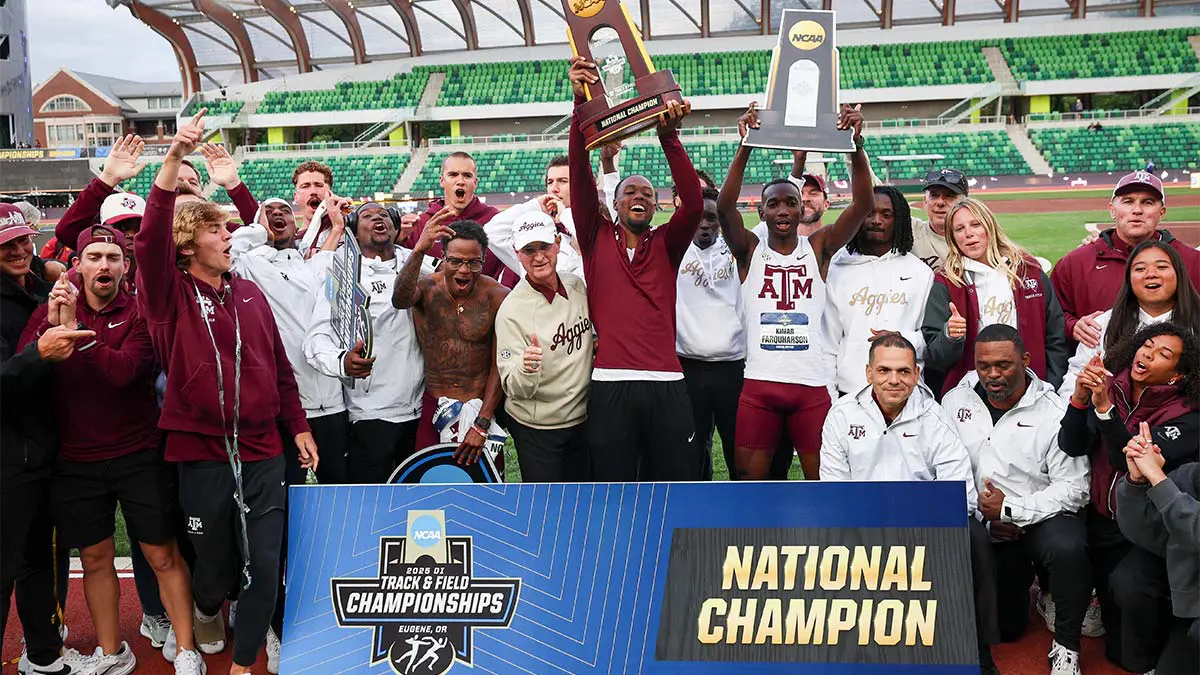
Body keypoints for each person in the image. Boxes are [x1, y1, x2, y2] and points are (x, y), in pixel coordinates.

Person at [135, 110, 317, 675]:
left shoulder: (250, 294)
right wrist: (171, 160)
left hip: (263, 446)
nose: (228, 236)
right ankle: (209, 607)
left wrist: (300, 425)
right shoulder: (170, 297)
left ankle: (244, 662)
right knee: (212, 567)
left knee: (265, 563)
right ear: (189, 244)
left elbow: (280, 370)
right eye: (216, 230)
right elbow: (147, 243)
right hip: (200, 451)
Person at [17, 226, 205, 674]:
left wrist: (75, 332)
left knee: (162, 553)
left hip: (138, 453)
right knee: (95, 558)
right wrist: (52, 324)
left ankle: (186, 649)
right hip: (75, 460)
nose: (104, 265)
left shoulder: (141, 311)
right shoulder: (52, 309)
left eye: (113, 257)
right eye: (95, 257)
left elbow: (125, 372)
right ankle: (111, 650)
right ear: (77, 265)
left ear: (126, 266)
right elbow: (26, 364)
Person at [819, 333, 1001, 674]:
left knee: (975, 537)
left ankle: (977, 649)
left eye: (903, 371)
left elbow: (960, 490)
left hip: (923, 522)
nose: (894, 380)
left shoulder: (935, 418)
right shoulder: (841, 416)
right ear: (868, 372)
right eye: (884, 370)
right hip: (860, 520)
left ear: (917, 374)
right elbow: (834, 489)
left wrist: (918, 525)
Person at [716, 101, 874, 481]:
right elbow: (724, 208)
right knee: (750, 484)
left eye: (791, 203)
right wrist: (747, 145)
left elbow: (864, 203)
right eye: (774, 204)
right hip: (759, 383)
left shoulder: (818, 247)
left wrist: (856, 145)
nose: (783, 210)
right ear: (762, 211)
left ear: (803, 208)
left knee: (825, 482)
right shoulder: (750, 251)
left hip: (810, 385)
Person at [566, 56, 702, 481]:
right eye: (629, 192)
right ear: (616, 202)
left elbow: (695, 204)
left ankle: (674, 549)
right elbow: (579, 177)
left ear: (657, 205)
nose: (638, 196)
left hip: (666, 382)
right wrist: (579, 111)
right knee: (614, 482)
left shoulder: (666, 245)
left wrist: (669, 138)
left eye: (647, 192)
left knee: (675, 481)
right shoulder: (595, 237)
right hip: (610, 383)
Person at [943, 324, 1091, 675]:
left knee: (1069, 546)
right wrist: (987, 520)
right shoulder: (954, 400)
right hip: (983, 525)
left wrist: (1013, 510)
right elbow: (945, 469)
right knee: (1008, 631)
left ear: (1025, 361)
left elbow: (1075, 487)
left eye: (1004, 365)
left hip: (1036, 522)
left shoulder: (1052, 411)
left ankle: (1067, 645)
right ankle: (1029, 592)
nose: (993, 375)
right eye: (984, 366)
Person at [1059, 322, 1199, 672]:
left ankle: (1165, 653)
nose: (1148, 354)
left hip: (1149, 527)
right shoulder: (1113, 385)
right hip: (1101, 518)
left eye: (1163, 354)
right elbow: (1071, 445)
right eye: (1147, 345)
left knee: (1131, 595)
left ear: (1175, 377)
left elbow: (1130, 463)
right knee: (1115, 646)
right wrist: (1079, 398)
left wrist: (1104, 410)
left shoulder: (1186, 414)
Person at [1, 205, 98, 675]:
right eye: (6, 246)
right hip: (7, 457)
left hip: (42, 450)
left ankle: (42, 656)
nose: (20, 251)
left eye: (22, 240)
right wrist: (38, 353)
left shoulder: (39, 288)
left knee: (39, 559)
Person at [306, 203, 431, 482]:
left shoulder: (423, 264)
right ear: (353, 231)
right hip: (370, 414)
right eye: (367, 215)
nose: (378, 218)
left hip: (422, 411)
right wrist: (342, 362)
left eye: (384, 215)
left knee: (416, 506)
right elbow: (316, 338)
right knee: (373, 507)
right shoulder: (341, 273)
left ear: (397, 227)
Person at [393, 213, 509, 470]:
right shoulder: (426, 289)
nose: (464, 270)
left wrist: (482, 422)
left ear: (483, 260)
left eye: (473, 263)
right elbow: (399, 300)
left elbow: (498, 365)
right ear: (443, 259)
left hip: (479, 405)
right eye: (455, 261)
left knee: (486, 487)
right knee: (430, 483)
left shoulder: (498, 297)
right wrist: (420, 249)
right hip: (435, 404)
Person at [922, 197, 1068, 396]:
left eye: (975, 224)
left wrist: (1051, 383)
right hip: (971, 393)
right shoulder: (947, 281)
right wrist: (950, 336)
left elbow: (1055, 336)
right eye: (959, 229)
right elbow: (934, 357)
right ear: (952, 237)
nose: (969, 234)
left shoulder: (1028, 271)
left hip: (1030, 388)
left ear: (990, 227)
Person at [1051, 170, 1200, 351]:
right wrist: (1072, 325)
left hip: (1176, 374)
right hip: (1099, 373)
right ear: (1112, 210)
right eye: (1128, 201)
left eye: (1148, 202)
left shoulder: (1192, 262)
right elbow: (1050, 315)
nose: (1137, 210)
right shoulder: (1075, 263)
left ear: (1162, 212)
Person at [494, 212, 592, 481]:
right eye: (529, 250)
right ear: (517, 253)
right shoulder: (511, 312)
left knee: (586, 500)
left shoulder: (576, 286)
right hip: (538, 428)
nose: (538, 257)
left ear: (558, 243)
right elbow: (513, 387)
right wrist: (528, 368)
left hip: (584, 420)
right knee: (546, 506)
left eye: (544, 247)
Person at [822, 185, 934, 397]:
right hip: (851, 392)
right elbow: (827, 344)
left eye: (886, 214)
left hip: (907, 391)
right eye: (869, 213)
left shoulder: (920, 272)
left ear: (899, 219)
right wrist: (830, 397)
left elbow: (929, 340)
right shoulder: (836, 269)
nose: (876, 220)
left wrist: (901, 338)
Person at [1060, 240, 1200, 397]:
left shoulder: (1195, 321)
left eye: (1161, 267)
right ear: (1129, 279)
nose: (1151, 274)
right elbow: (1072, 384)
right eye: (1140, 269)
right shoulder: (1103, 325)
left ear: (1179, 274)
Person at [675, 186, 745, 480]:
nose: (704, 224)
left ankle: (742, 510)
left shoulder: (739, 250)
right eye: (698, 218)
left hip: (734, 368)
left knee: (737, 448)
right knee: (693, 451)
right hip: (689, 366)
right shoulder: (673, 249)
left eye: (713, 218)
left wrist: (798, 165)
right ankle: (699, 512)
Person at [1117, 439, 1200, 675]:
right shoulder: (1190, 475)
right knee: (1129, 580)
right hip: (1191, 605)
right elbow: (1142, 530)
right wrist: (1137, 481)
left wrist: (1157, 477)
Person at [483, 148, 622, 281]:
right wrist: (536, 205)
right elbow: (492, 233)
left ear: (581, 186)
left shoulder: (600, 223)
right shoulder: (535, 235)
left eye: (563, 181)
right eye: (550, 182)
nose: (554, 189)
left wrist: (564, 215)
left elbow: (599, 242)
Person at [402, 152, 515, 286]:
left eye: (467, 175)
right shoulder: (422, 225)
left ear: (475, 182)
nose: (460, 181)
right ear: (442, 181)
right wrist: (400, 237)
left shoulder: (495, 220)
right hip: (436, 305)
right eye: (453, 174)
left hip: (485, 305)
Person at [912, 169, 969, 271]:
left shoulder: (975, 239)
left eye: (949, 196)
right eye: (934, 195)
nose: (940, 202)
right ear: (925, 202)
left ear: (965, 203)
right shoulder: (911, 230)